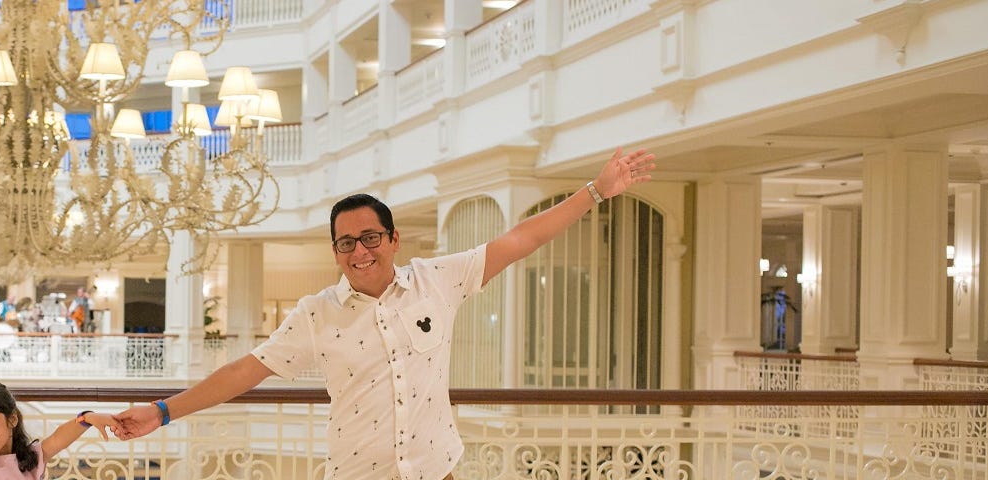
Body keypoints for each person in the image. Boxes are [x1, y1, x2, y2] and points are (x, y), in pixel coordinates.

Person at [112, 148, 656, 479]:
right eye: (346, 243)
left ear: (394, 239)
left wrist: (595, 192)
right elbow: (243, 372)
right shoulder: (316, 314)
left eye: (371, 237)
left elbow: (518, 241)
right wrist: (162, 411)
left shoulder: (435, 282)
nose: (359, 252)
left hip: (435, 472)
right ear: (335, 251)